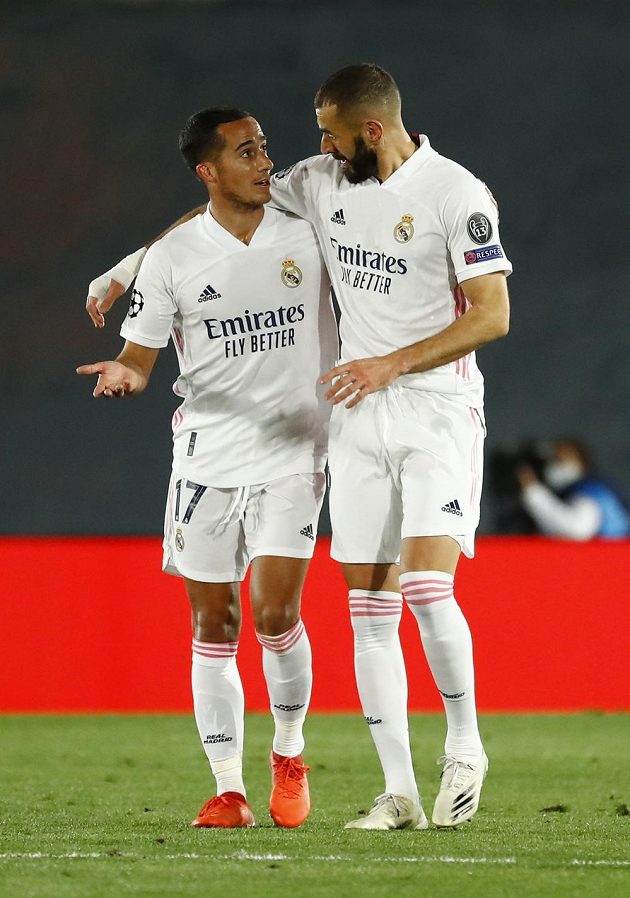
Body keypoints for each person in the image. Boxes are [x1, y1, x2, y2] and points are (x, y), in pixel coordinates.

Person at [85, 63, 512, 831]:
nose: (309, 148)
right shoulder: (322, 182)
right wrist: (127, 270)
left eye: (328, 131)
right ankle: (400, 794)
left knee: (421, 589)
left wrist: (389, 363)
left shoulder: (456, 194)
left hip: (433, 408)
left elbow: (493, 315)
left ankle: (464, 746)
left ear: (370, 131)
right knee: (366, 609)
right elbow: (204, 216)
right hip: (352, 418)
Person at [78, 107, 338, 830]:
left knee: (275, 613)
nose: (264, 162)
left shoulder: (306, 225)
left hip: (295, 448)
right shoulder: (175, 258)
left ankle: (289, 754)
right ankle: (229, 789)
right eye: (246, 152)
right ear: (208, 170)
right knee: (214, 622)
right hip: (206, 460)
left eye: (264, 148)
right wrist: (126, 376)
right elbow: (139, 359)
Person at [518, 438, 630, 539]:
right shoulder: (571, 491)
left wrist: (533, 491)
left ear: (580, 461)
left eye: (559, 460)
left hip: (608, 557)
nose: (553, 466)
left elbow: (577, 530)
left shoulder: (593, 492)